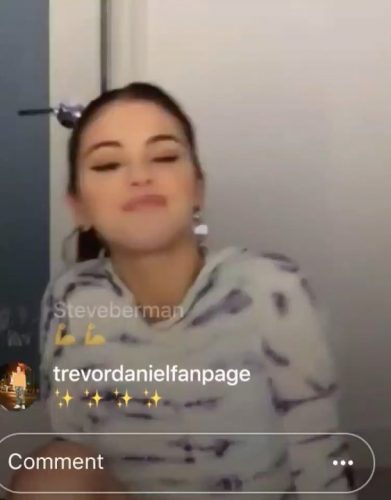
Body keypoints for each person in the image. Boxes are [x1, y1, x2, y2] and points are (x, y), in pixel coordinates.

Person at [11, 83, 353, 499]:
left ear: (198, 188)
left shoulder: (271, 288)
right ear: (78, 206)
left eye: (165, 157)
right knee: (52, 471)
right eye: (108, 164)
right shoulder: (71, 298)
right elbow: (74, 443)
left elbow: (320, 457)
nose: (140, 177)